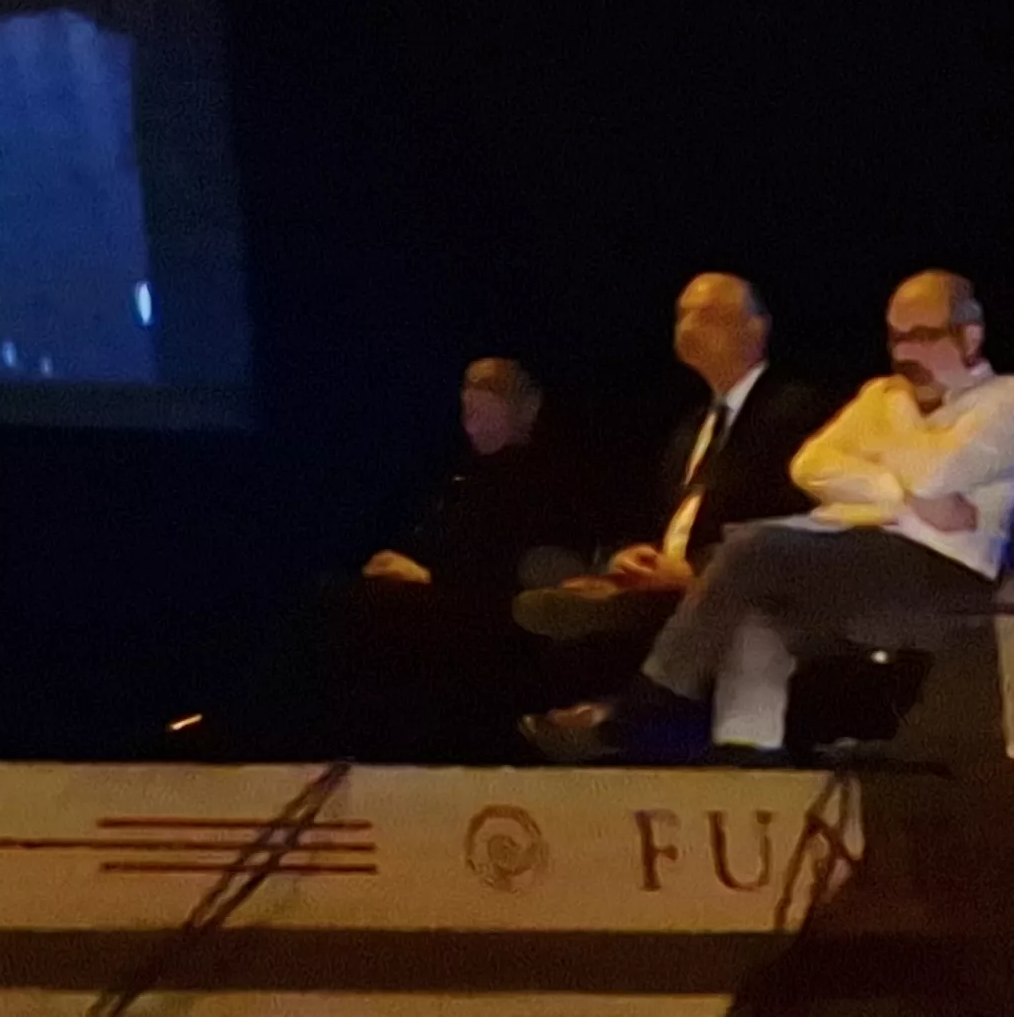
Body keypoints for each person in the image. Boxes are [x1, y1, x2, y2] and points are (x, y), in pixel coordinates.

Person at [528, 272, 1014, 762]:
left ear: (969, 336)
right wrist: (902, 495)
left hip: (949, 572)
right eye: (896, 337)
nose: (906, 353)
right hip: (861, 557)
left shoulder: (1002, 402)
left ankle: (649, 705)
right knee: (757, 613)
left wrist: (887, 444)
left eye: (924, 336)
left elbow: (934, 473)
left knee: (750, 548)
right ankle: (747, 753)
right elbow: (812, 465)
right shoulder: (881, 397)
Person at [512, 275, 832, 675]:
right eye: (682, 314)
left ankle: (608, 700)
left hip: (731, 589)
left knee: (579, 626)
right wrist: (633, 557)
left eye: (707, 313)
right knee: (547, 593)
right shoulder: (691, 427)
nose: (689, 324)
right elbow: (660, 516)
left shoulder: (793, 412)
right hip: (670, 584)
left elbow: (790, 520)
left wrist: (695, 571)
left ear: (757, 326)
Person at [302, 355, 589, 758]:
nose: (473, 409)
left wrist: (430, 582)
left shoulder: (548, 486)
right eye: (468, 397)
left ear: (529, 404)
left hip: (497, 638)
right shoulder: (459, 480)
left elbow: (530, 584)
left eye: (490, 393)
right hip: (447, 621)